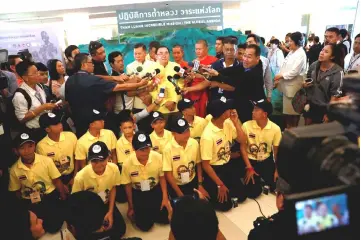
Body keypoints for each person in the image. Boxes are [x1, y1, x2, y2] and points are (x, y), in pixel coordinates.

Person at [65, 53, 147, 137]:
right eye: (91, 62)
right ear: (83, 65)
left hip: (79, 124)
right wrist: (139, 84)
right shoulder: (92, 80)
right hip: (96, 122)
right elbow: (119, 87)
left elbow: (67, 102)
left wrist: (114, 78)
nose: (93, 65)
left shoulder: (69, 80)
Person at [9, 132, 68, 232]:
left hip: (49, 197)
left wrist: (63, 196)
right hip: (29, 201)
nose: (27, 151)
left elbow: (57, 181)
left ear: (35, 146)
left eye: (30, 146)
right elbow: (17, 191)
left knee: (54, 227)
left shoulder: (46, 161)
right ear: (16, 151)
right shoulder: (14, 169)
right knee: (34, 229)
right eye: (22, 148)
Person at [200, 97, 247, 211]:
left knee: (242, 196)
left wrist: (236, 123)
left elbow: (242, 140)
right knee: (225, 206)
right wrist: (220, 184)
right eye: (227, 109)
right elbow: (206, 165)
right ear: (222, 114)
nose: (230, 110)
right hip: (214, 169)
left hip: (228, 164)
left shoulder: (228, 123)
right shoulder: (207, 136)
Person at [72, 141, 126, 238]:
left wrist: (110, 211)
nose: (98, 164)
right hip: (88, 208)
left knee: (120, 229)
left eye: (102, 160)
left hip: (106, 202)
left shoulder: (114, 169)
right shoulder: (80, 177)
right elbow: (76, 202)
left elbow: (113, 188)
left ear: (108, 157)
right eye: (94, 161)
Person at [122, 131, 172, 231]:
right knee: (144, 226)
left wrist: (165, 198)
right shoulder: (127, 164)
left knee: (166, 218)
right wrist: (131, 206)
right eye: (141, 149)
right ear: (134, 149)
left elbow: (162, 177)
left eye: (147, 148)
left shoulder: (157, 157)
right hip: (138, 192)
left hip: (155, 189)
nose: (145, 152)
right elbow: (127, 185)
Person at [163, 116, 209, 199]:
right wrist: (179, 194)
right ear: (173, 133)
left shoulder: (194, 143)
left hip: (192, 180)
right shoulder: (167, 149)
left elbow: (198, 164)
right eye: (182, 132)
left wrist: (200, 184)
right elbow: (168, 175)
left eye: (187, 130)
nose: (186, 134)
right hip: (177, 185)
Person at [241, 99, 281, 194]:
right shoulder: (246, 125)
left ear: (265, 114)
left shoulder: (275, 129)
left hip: (266, 160)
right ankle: (257, 180)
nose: (252, 112)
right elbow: (242, 148)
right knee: (253, 192)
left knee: (277, 186)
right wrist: (249, 167)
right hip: (250, 161)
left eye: (256, 110)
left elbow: (276, 152)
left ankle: (264, 180)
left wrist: (277, 170)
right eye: (253, 109)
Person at [12, 60, 57, 141]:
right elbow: (22, 119)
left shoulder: (40, 86)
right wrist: (42, 108)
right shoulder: (20, 96)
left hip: (47, 126)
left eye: (37, 72)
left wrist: (50, 105)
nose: (38, 75)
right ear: (25, 77)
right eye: (35, 73)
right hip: (35, 131)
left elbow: (42, 102)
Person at [304, 43, 343, 125]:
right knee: (306, 131)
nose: (321, 53)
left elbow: (335, 96)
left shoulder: (337, 72)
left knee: (319, 134)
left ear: (332, 57)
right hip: (311, 104)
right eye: (322, 50)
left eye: (326, 52)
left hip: (324, 108)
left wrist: (329, 113)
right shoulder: (314, 65)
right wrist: (304, 84)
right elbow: (307, 78)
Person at [274, 31, 307, 129]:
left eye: (291, 41)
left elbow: (294, 72)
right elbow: (285, 66)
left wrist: (281, 76)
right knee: (287, 115)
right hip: (287, 87)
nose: (289, 44)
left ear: (297, 42)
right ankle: (289, 130)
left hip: (293, 89)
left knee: (293, 115)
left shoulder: (301, 54)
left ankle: (292, 133)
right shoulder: (292, 52)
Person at [37, 112, 77, 186]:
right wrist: (60, 185)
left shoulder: (71, 136)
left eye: (59, 122)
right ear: (47, 129)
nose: (60, 125)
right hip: (55, 179)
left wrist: (75, 177)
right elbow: (46, 169)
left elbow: (77, 157)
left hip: (73, 174)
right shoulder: (41, 146)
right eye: (56, 124)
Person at [74, 109, 117, 175]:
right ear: (92, 125)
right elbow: (83, 165)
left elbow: (114, 154)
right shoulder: (81, 142)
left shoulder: (109, 133)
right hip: (93, 175)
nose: (103, 121)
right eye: (100, 120)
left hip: (110, 172)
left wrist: (114, 171)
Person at [183, 40, 218, 117]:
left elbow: (212, 78)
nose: (197, 51)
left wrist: (201, 74)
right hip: (192, 93)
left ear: (206, 49)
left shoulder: (213, 60)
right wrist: (189, 78)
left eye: (200, 49)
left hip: (205, 93)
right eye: (196, 49)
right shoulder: (194, 62)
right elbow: (191, 77)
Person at [115, 114, 136, 203]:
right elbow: (122, 163)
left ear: (134, 126)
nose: (127, 130)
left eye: (129, 127)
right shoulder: (119, 143)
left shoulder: (140, 137)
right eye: (125, 128)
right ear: (121, 128)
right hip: (129, 172)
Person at [246, 34, 273, 101]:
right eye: (247, 43)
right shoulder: (243, 60)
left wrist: (269, 96)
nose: (248, 44)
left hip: (259, 93)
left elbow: (268, 79)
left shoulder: (264, 61)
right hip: (245, 93)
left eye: (251, 42)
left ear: (257, 44)